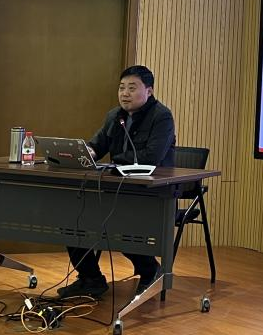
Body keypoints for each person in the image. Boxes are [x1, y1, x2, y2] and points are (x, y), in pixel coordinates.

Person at [57, 65, 176, 299]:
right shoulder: (115, 116)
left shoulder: (161, 116)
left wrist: (116, 162)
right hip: (117, 190)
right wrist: (86, 153)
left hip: (152, 193)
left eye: (132, 88)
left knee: (120, 225)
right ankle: (91, 278)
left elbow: (151, 157)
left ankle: (150, 271)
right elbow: (97, 145)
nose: (125, 94)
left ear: (149, 91)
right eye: (122, 88)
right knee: (74, 219)